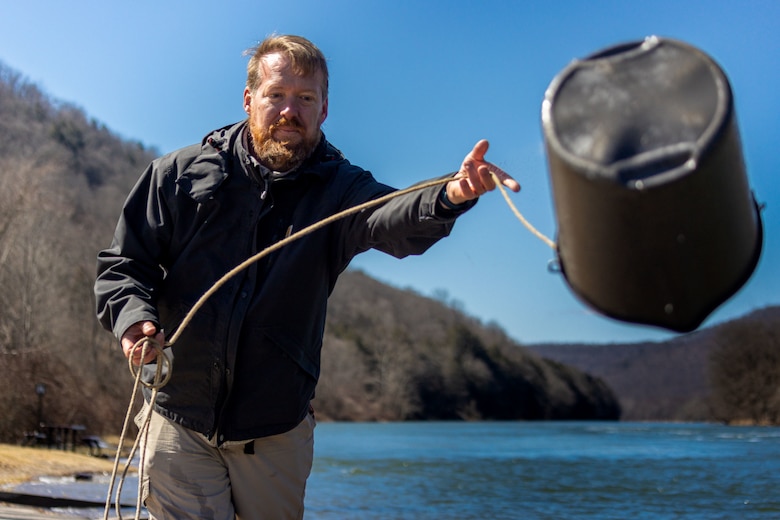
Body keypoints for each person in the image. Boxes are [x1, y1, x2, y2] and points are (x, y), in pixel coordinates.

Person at [95, 34, 519, 519]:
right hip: (177, 419)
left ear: (323, 110)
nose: (288, 111)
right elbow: (123, 266)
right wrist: (133, 323)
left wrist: (449, 195)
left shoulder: (342, 189)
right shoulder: (178, 175)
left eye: (305, 99)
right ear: (249, 99)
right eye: (277, 95)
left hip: (275, 431)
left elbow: (392, 218)